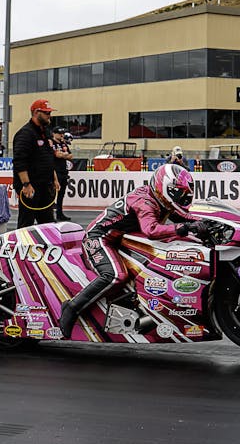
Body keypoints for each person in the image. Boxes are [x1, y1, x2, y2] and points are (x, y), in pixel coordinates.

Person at [59, 164, 209, 339]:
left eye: (185, 194)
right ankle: (72, 307)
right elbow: (151, 230)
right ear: (165, 187)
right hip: (99, 238)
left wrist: (208, 222)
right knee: (116, 276)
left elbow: (184, 216)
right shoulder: (145, 202)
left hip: (121, 239)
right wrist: (185, 228)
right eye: (179, 193)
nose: (183, 197)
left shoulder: (160, 199)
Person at [13, 99, 60, 227]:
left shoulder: (46, 132)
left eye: (49, 113)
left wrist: (54, 178)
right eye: (46, 113)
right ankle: (22, 241)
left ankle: (47, 241)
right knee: (26, 222)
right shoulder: (25, 134)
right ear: (35, 113)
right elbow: (19, 162)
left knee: (48, 223)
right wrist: (26, 184)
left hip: (45, 185)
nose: (49, 115)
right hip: (31, 185)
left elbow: (48, 158)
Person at [52, 126, 73, 221]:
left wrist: (63, 155)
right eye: (59, 133)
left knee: (61, 194)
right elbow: (56, 154)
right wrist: (63, 155)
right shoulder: (51, 143)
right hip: (54, 171)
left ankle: (59, 213)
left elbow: (70, 155)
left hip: (63, 171)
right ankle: (50, 215)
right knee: (52, 194)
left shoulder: (63, 143)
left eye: (62, 133)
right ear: (54, 133)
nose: (61, 135)